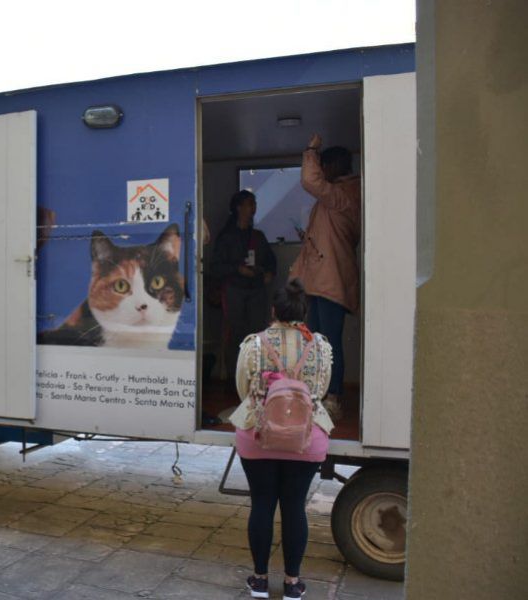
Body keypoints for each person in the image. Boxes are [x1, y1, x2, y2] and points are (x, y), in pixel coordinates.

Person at [229, 279, 334, 600]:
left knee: (261, 504)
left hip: (258, 435)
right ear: (303, 311)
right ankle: (292, 583)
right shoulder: (320, 346)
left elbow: (242, 391)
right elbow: (321, 391)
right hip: (306, 438)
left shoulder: (254, 345)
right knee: (294, 507)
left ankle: (259, 580)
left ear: (273, 310)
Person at [289, 133, 360, 420]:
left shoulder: (344, 193)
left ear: (335, 167)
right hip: (321, 279)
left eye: (325, 165)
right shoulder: (339, 197)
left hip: (330, 281)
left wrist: (310, 151)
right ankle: (319, 394)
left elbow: (311, 181)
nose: (323, 172)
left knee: (327, 343)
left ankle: (333, 398)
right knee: (316, 342)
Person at [211, 190, 277, 372]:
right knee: (236, 334)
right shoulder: (226, 237)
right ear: (238, 208)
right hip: (234, 291)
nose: (253, 207)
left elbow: (271, 261)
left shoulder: (258, 236)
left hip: (256, 291)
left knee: (258, 333)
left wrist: (269, 273)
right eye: (249, 203)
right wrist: (238, 269)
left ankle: (257, 375)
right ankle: (237, 377)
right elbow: (215, 267)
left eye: (254, 203)